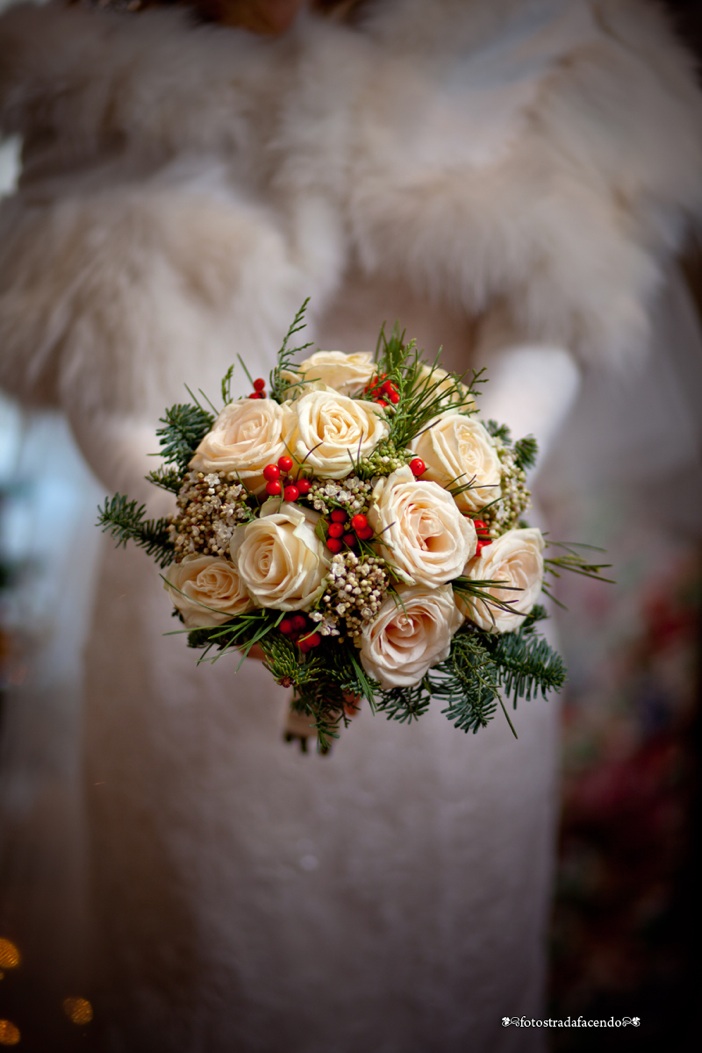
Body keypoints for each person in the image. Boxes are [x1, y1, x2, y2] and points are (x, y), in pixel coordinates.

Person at [0, 1, 700, 1050]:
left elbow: (548, 324)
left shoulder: (552, 24)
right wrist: (234, 528)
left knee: (452, 975)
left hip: (453, 607)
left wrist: (454, 501)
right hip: (195, 621)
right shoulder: (105, 45)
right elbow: (111, 370)